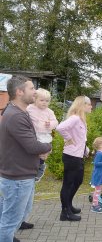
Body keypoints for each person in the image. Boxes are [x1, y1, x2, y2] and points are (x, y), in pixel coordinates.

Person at [0, 76, 51, 242]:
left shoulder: (18, 111)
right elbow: (32, 146)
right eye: (31, 88)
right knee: (9, 221)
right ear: (19, 92)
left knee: (14, 216)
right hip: (17, 179)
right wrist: (47, 147)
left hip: (20, 176)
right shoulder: (16, 116)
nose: (35, 91)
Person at [56, 96, 92, 221]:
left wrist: (85, 150)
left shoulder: (81, 120)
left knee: (78, 181)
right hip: (71, 156)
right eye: (89, 104)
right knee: (68, 183)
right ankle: (64, 212)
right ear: (82, 105)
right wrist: (68, 139)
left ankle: (69, 205)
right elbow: (60, 128)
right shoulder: (75, 118)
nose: (91, 106)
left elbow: (81, 138)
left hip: (78, 155)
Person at [27, 88, 59, 182]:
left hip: (45, 136)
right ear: (35, 99)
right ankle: (34, 169)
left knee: (43, 155)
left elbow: (56, 122)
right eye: (42, 100)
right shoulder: (30, 108)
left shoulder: (49, 111)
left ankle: (40, 168)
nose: (44, 103)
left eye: (47, 101)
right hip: (34, 135)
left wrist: (51, 124)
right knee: (34, 155)